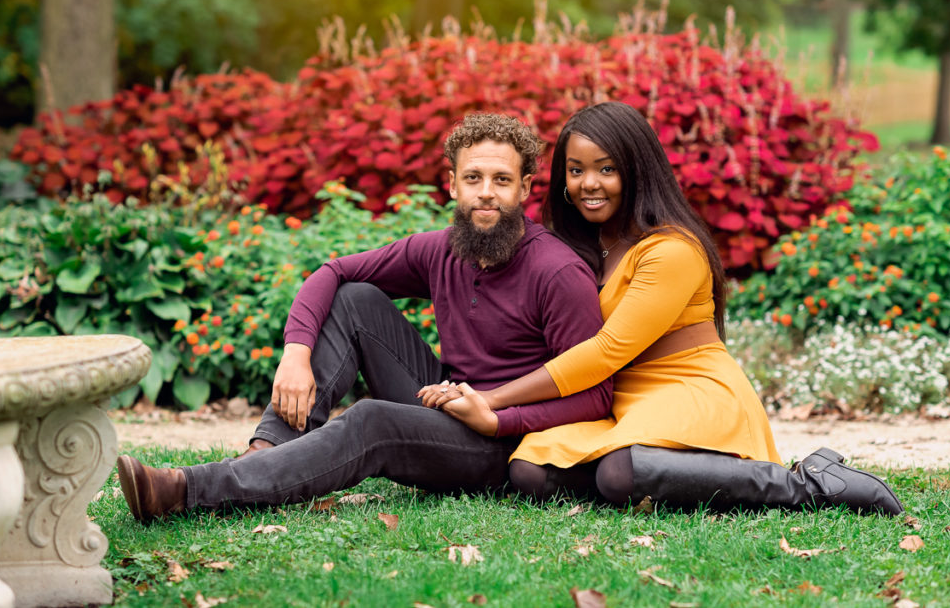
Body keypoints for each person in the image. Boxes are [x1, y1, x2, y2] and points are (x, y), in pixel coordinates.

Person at [117, 113, 613, 523]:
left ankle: (187, 490)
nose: (486, 193)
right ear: (452, 184)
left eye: (501, 180)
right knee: (355, 297)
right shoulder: (441, 249)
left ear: (525, 187)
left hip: (501, 442)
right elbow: (333, 271)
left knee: (371, 419)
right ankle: (264, 455)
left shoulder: (557, 272)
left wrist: (497, 416)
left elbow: (596, 396)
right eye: (473, 178)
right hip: (447, 397)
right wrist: (296, 352)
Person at [421, 101, 904, 516]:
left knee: (619, 471)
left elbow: (607, 350)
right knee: (530, 471)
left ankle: (806, 484)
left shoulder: (671, 250)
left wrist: (494, 400)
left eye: (606, 168)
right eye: (576, 170)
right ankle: (655, 483)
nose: (590, 183)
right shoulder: (584, 246)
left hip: (690, 389)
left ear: (636, 170)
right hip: (623, 400)